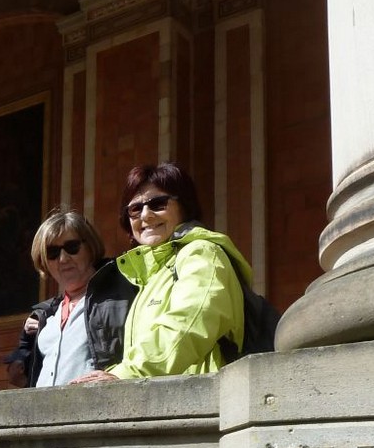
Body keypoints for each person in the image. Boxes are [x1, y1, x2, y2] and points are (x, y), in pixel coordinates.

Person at [73, 162, 247, 383]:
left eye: (158, 204)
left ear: (184, 206)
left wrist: (124, 374)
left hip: (202, 397)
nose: (146, 215)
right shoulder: (150, 278)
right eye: (135, 209)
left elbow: (188, 324)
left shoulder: (201, 253)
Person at [5, 210, 136, 388]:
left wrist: (118, 375)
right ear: (44, 261)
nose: (63, 258)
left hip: (97, 402)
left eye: (72, 247)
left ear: (90, 247)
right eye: (52, 252)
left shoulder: (121, 293)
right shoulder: (47, 314)